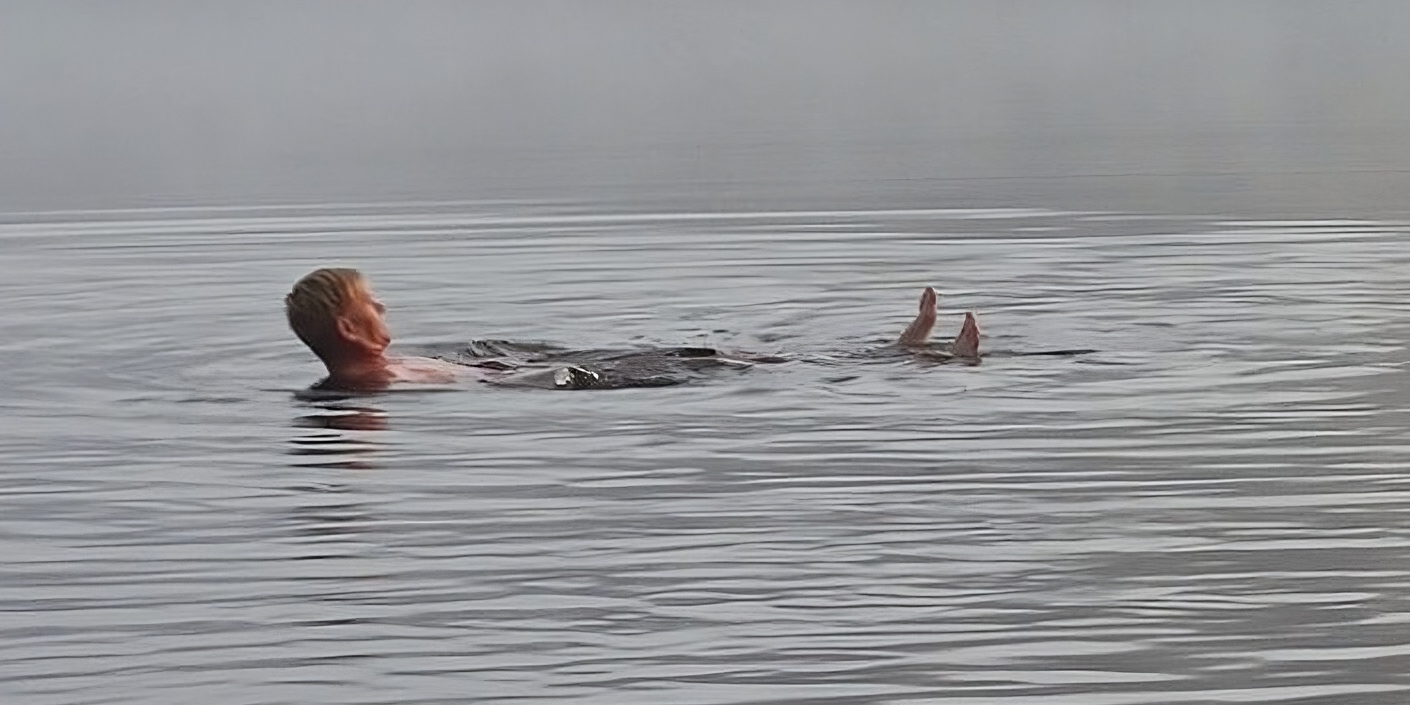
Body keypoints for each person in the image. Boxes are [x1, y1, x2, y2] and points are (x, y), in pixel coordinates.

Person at [284, 267, 981, 394]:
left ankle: (902, 354)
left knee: (716, 355)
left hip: (535, 376)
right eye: (374, 303)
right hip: (554, 385)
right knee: (713, 361)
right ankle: (908, 359)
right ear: (350, 326)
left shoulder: (388, 374)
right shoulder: (373, 389)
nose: (388, 308)